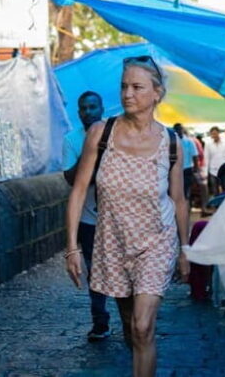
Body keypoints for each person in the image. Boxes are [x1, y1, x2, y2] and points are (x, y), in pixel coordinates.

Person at [65, 55, 190, 377]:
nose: (127, 94)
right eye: (124, 87)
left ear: (157, 93)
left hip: (156, 242)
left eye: (137, 87)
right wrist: (72, 247)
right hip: (113, 242)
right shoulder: (100, 133)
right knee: (129, 328)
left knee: (143, 325)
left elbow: (178, 199)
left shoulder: (171, 143)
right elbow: (79, 190)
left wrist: (185, 249)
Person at [62, 91, 111, 342]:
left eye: (93, 107)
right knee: (95, 270)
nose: (89, 112)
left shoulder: (117, 134)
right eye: (84, 108)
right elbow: (71, 179)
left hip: (118, 218)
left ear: (102, 109)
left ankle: (134, 321)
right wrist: (89, 149)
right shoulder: (71, 140)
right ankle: (100, 321)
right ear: (79, 113)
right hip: (89, 219)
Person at [173, 124, 198, 207]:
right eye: (176, 130)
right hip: (176, 171)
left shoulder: (189, 141)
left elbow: (195, 156)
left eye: (179, 129)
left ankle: (187, 208)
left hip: (187, 169)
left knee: (186, 191)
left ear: (182, 130)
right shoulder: (172, 141)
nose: (178, 131)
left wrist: (196, 169)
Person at [204, 126, 225, 196]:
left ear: (218, 133)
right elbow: (206, 158)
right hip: (213, 171)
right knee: (215, 190)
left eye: (215, 133)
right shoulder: (208, 144)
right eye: (212, 134)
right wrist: (205, 172)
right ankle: (217, 202)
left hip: (224, 170)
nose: (214, 135)